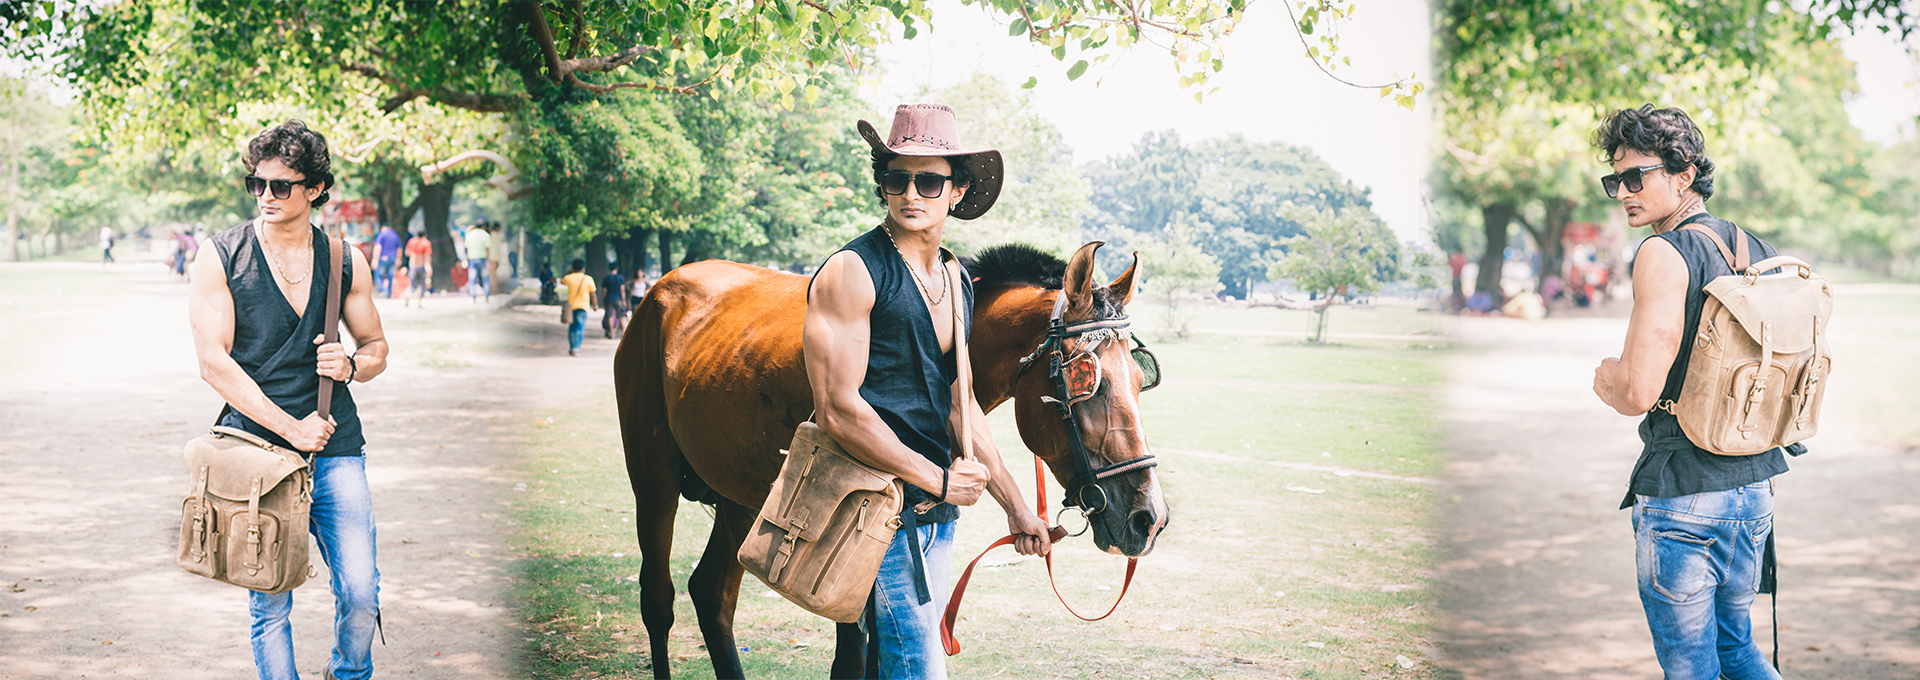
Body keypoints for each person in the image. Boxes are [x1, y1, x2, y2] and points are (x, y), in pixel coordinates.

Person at [804, 104, 1051, 678]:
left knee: (901, 663)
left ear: (958, 191)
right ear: (882, 184)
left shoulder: (955, 276)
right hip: (875, 510)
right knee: (919, 667)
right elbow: (837, 409)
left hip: (937, 514)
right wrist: (939, 477)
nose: (910, 192)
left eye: (929, 180)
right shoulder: (853, 271)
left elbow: (959, 403)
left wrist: (1016, 506)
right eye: (897, 178)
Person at [1589, 104, 1800, 680]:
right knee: (1738, 651)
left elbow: (1637, 391)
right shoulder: (1755, 249)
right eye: (1615, 181)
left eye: (1637, 177)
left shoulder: (1663, 251)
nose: (1624, 192)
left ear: (1685, 173)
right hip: (1753, 487)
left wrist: (1609, 381)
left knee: (1691, 669)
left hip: (1684, 496)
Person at [187, 120, 390, 680]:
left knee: (361, 592)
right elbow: (213, 362)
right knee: (270, 600)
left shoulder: (345, 258)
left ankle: (348, 671)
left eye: (281, 185)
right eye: (258, 184)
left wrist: (351, 364)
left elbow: (377, 347)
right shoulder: (221, 255)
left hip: (336, 446)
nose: (267, 196)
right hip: (255, 454)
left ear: (316, 189)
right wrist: (291, 429)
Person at [559, 258, 597, 356]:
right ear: (583, 268)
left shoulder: (569, 277)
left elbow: (562, 281)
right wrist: (595, 305)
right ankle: (576, 349)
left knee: (572, 328)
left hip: (571, 307)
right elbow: (593, 294)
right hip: (583, 306)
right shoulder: (588, 279)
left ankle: (573, 347)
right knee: (580, 328)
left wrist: (569, 271)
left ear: (573, 268)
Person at [372, 223, 403, 299]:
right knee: (390, 276)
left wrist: (375, 259)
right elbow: (399, 249)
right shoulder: (395, 235)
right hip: (393, 258)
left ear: (382, 227)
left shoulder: (381, 234)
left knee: (378, 275)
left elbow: (378, 247)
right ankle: (389, 294)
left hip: (383, 258)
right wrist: (399, 259)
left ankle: (383, 290)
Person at [404, 228, 433, 307]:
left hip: (412, 266)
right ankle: (419, 303)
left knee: (411, 285)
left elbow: (407, 253)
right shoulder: (426, 243)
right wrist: (429, 267)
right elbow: (427, 256)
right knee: (422, 285)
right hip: (421, 266)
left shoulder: (411, 242)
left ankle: (407, 298)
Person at [464, 222, 492, 303]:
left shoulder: (469, 235)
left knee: (472, 279)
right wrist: (489, 261)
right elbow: (488, 249)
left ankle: (474, 298)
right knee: (485, 279)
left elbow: (466, 248)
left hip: (472, 259)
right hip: (483, 259)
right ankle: (486, 297)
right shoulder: (485, 235)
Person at [601, 263, 628, 340]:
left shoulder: (606, 278)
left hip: (609, 299)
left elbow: (604, 291)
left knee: (610, 317)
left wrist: (603, 300)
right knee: (620, 316)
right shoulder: (620, 278)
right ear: (617, 268)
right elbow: (622, 290)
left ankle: (612, 334)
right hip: (618, 299)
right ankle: (623, 333)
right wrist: (623, 301)